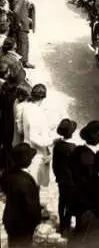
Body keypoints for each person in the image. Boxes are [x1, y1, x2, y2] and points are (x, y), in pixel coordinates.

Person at [18, 83, 53, 217]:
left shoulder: (27, 107)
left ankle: (32, 206)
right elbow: (34, 136)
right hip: (36, 151)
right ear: (43, 98)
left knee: (33, 181)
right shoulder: (36, 113)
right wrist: (51, 141)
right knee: (35, 180)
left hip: (29, 147)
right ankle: (33, 209)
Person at [0, 143, 41, 248]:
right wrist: (36, 220)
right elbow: (30, 207)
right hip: (23, 224)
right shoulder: (25, 182)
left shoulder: (8, 175)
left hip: (11, 219)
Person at [71, 120, 99, 233]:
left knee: (80, 221)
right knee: (84, 226)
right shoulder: (91, 157)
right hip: (85, 197)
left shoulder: (77, 149)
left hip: (75, 192)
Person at [52, 118, 77, 235]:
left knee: (62, 201)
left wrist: (58, 175)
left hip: (61, 179)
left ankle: (62, 224)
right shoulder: (74, 148)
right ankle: (67, 224)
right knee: (70, 203)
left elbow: (54, 164)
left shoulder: (57, 146)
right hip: (72, 181)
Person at [13, 0, 34, 68]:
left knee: (21, 42)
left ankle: (21, 61)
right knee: (24, 42)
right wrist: (19, 23)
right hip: (22, 24)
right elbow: (16, 11)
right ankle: (25, 61)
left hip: (21, 23)